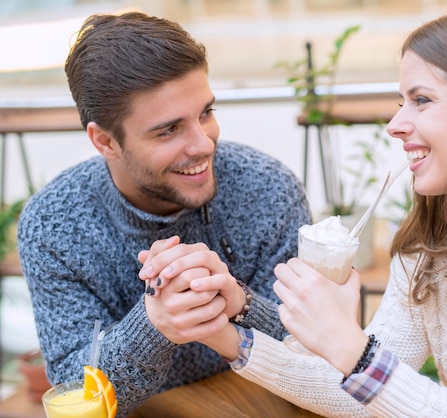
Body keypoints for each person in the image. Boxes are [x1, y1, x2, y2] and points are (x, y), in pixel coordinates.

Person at [141, 5, 447, 417]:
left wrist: (348, 346)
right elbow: (357, 394)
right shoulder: (434, 238)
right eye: (401, 101)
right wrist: (228, 331)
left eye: (421, 100)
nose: (395, 124)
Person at [16, 11, 311, 417]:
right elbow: (76, 393)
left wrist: (238, 302)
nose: (203, 144)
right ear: (105, 141)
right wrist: (153, 326)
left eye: (206, 113)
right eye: (169, 130)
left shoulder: (267, 188)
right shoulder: (53, 224)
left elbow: (312, 353)